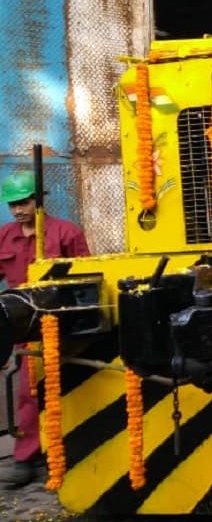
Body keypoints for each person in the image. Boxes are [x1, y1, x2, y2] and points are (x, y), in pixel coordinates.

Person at [0, 171, 90, 489]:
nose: (16, 210)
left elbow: (86, 279)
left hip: (64, 327)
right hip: (25, 330)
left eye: (22, 202)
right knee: (28, 393)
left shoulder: (66, 232)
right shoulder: (4, 236)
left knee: (76, 389)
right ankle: (26, 460)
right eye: (12, 204)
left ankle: (76, 451)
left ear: (39, 200)